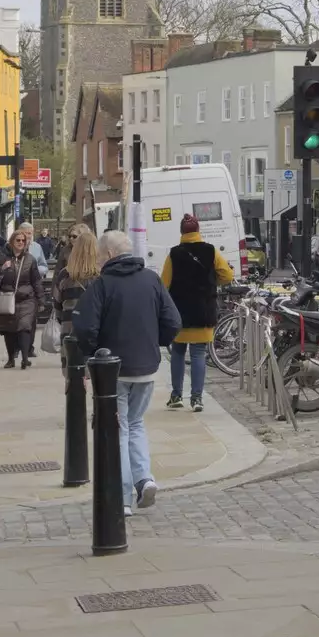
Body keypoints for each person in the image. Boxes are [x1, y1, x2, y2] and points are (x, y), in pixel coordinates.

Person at [73, 230, 181, 516]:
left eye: (98, 256)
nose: (96, 261)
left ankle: (122, 498)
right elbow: (173, 321)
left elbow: (84, 328)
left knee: (119, 429)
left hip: (114, 371)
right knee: (135, 424)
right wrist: (153, 342)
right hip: (146, 368)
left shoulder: (102, 285)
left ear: (109, 254)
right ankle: (144, 479)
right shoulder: (151, 280)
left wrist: (94, 353)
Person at [160, 214, 234, 413]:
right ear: (198, 231)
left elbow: (164, 283)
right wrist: (211, 282)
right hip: (203, 310)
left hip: (180, 312)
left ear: (182, 232)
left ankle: (176, 395)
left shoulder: (174, 254)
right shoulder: (211, 251)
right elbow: (227, 275)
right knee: (199, 353)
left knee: (177, 352)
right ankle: (197, 398)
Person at [0, 225, 43, 369]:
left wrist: (41, 298)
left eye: (23, 240)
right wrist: (2, 269)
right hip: (7, 298)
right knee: (9, 330)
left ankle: (25, 358)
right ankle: (10, 359)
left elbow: (36, 280)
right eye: (18, 240)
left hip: (26, 298)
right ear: (12, 241)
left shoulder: (30, 260)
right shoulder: (2, 258)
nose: (21, 242)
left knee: (25, 327)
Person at [54, 225, 101, 368]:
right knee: (99, 379)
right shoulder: (102, 275)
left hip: (70, 328)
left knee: (73, 376)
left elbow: (57, 304)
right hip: (96, 330)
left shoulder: (65, 274)